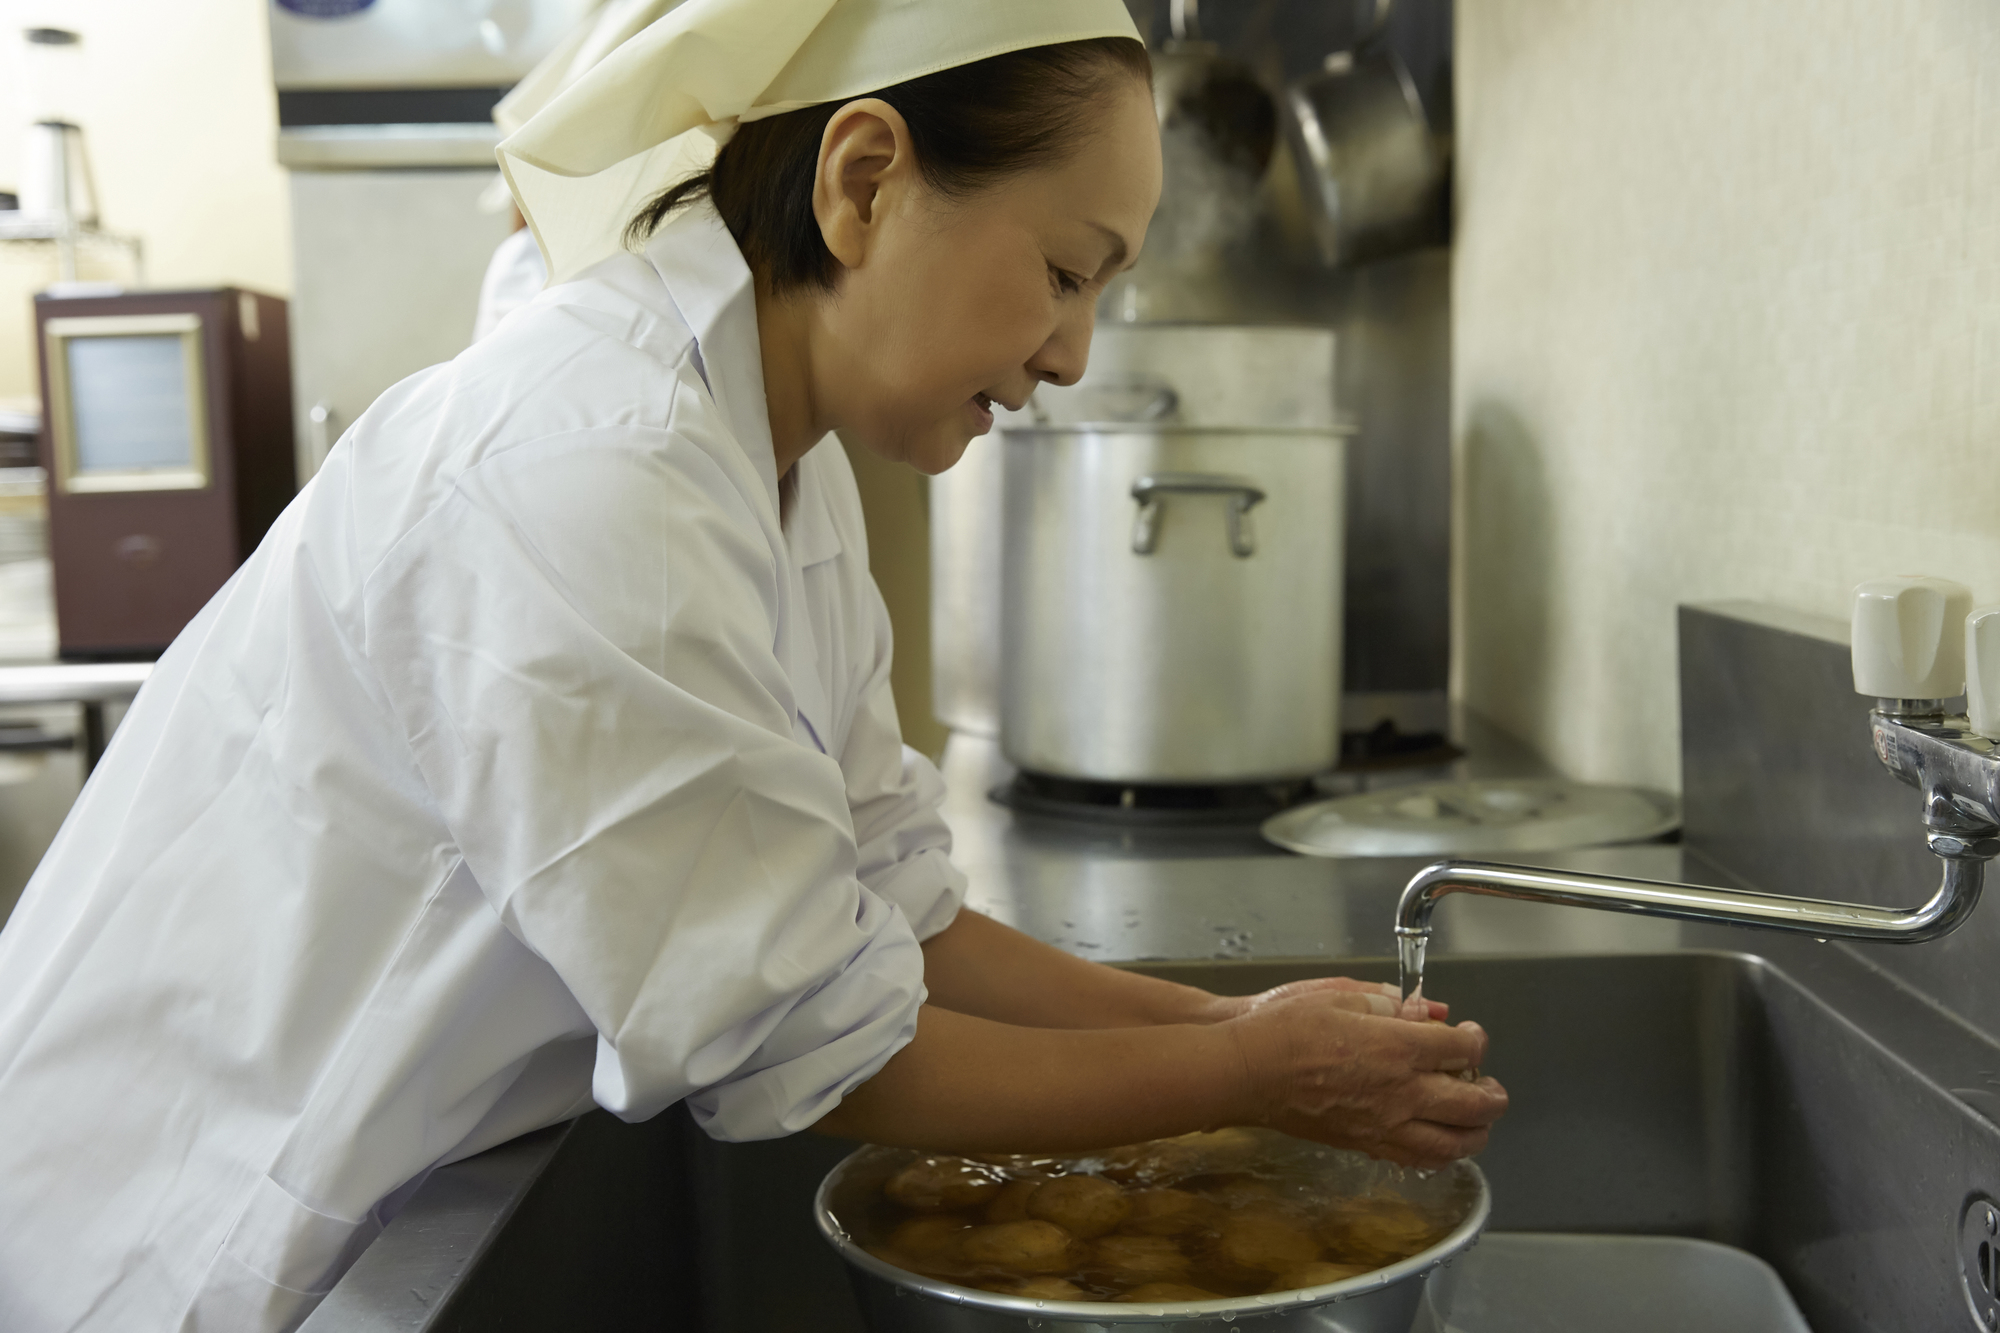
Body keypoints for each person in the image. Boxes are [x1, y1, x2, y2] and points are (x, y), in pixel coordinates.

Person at [0, 1, 1507, 1329]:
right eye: (1064, 270)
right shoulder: (601, 464)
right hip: (145, 1245)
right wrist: (1252, 1077)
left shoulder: (779, 469)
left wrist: (1244, 1028)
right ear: (865, 182)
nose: (1074, 356)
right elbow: (816, 1053)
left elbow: (892, 908)